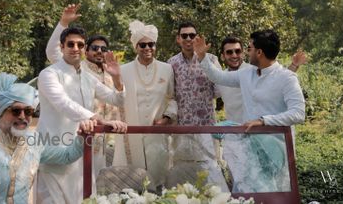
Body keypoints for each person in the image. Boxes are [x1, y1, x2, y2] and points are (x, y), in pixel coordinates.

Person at [0, 72, 90, 204]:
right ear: (1, 112)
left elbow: (66, 156)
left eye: (28, 111)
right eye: (16, 111)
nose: (22, 116)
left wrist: (82, 136)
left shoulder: (33, 141)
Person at [194, 30, 305, 192]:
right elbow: (218, 77)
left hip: (275, 152)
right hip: (249, 150)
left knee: (273, 194)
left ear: (259, 52)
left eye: (249, 48)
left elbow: (298, 113)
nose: (247, 52)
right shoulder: (247, 74)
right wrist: (203, 57)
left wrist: (263, 121)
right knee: (246, 193)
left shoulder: (286, 78)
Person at [35, 25, 127, 204]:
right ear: (62, 47)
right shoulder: (49, 74)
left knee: (85, 200)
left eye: (80, 45)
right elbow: (63, 103)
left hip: (81, 154)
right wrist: (97, 118)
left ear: (84, 49)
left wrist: (116, 78)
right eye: (70, 44)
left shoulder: (87, 77)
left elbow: (117, 99)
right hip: (54, 152)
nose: (75, 48)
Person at [45, 4, 118, 174]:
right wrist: (63, 22)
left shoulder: (109, 72)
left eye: (103, 49)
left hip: (105, 139)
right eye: (94, 48)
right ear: (87, 50)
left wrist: (117, 78)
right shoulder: (78, 67)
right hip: (78, 135)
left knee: (98, 186)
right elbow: (52, 52)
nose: (99, 51)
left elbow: (118, 100)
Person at [112, 20, 177, 188]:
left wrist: (167, 117)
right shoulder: (123, 70)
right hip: (131, 133)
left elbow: (172, 97)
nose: (147, 48)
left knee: (157, 182)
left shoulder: (167, 69)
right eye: (143, 45)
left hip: (156, 134)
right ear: (136, 47)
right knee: (131, 185)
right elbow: (116, 97)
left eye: (151, 44)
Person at [167, 22, 227, 190]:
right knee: (182, 174)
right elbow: (169, 95)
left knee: (209, 172)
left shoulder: (211, 59)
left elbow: (220, 90)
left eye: (192, 35)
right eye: (184, 35)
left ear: (197, 38)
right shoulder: (171, 63)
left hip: (206, 127)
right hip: (181, 128)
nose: (188, 39)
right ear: (178, 39)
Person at [218, 36, 307, 123]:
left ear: (243, 53)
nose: (234, 55)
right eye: (229, 52)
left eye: (238, 51)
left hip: (259, 130)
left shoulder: (254, 70)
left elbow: (277, 80)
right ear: (222, 56)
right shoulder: (221, 78)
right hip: (232, 132)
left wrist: (294, 66)